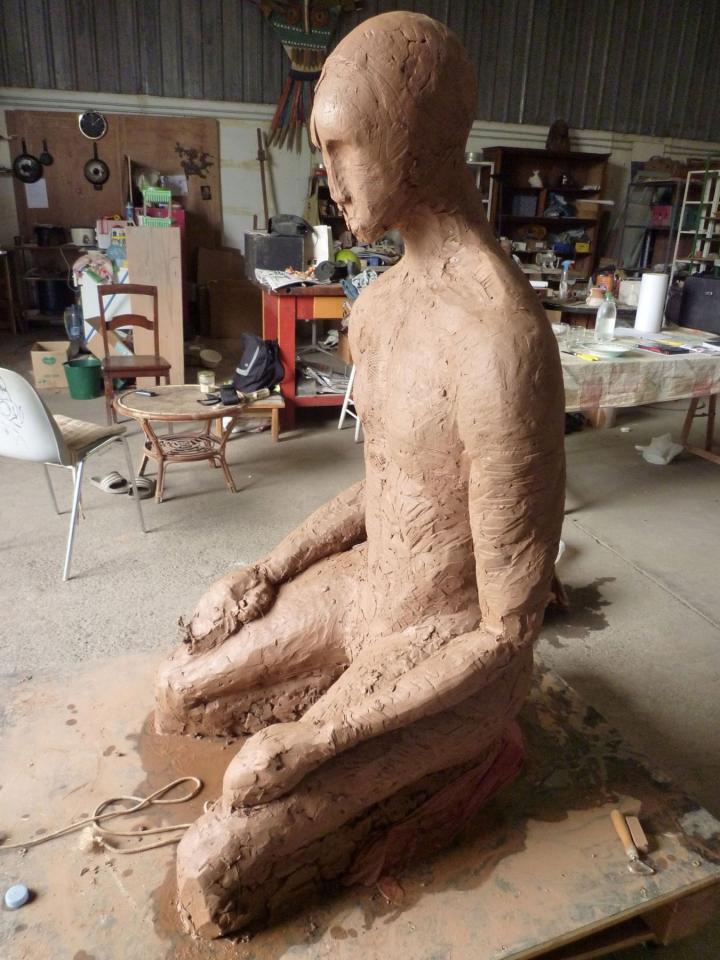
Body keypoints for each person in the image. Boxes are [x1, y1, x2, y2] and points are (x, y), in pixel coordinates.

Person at [155, 11, 565, 936]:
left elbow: (508, 630)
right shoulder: (379, 306)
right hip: (364, 588)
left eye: (343, 148)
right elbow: (394, 492)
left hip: (446, 649)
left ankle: (446, 773)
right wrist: (263, 571)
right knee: (180, 687)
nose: (328, 180)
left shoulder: (500, 343)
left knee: (215, 865)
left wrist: (320, 736)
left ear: (417, 144)